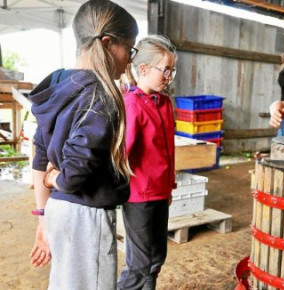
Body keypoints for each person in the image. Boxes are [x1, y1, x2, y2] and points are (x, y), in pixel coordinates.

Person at [28, 1, 138, 289]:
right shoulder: (100, 98)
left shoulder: (58, 87)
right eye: (130, 48)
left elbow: (40, 158)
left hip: (58, 211)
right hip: (86, 217)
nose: (129, 60)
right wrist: (56, 178)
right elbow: (73, 176)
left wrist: (43, 218)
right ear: (107, 43)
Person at [117, 35, 177, 290]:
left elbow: (169, 150)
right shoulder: (132, 104)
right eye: (165, 70)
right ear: (143, 69)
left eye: (173, 71)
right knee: (140, 264)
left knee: (156, 259)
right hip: (138, 195)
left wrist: (169, 186)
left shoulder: (164, 102)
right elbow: (122, 154)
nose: (169, 76)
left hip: (160, 192)